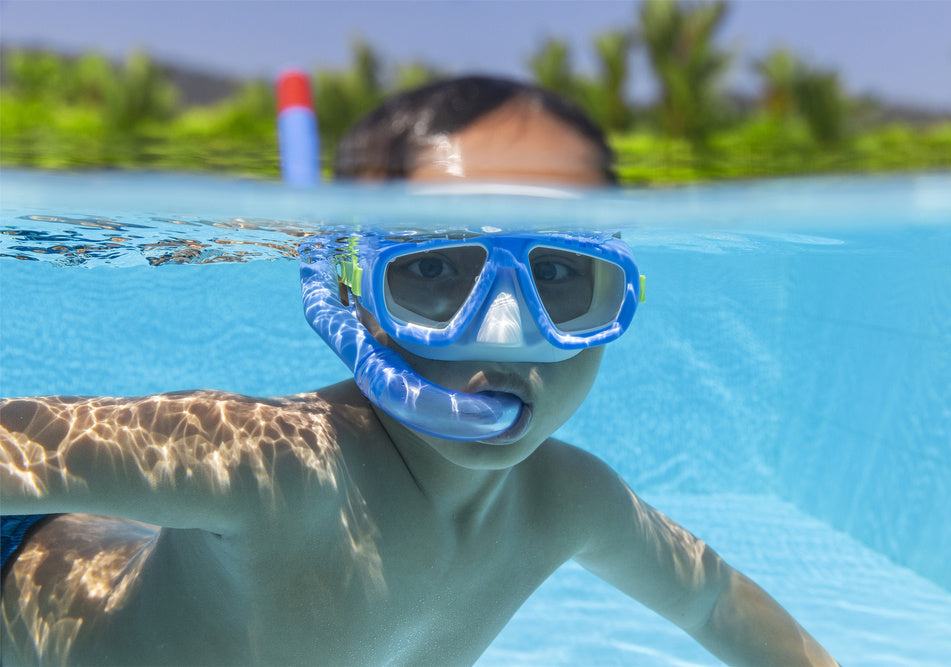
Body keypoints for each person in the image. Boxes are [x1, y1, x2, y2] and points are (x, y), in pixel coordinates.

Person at [0, 75, 837, 666]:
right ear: (354, 303)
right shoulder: (276, 463)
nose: (504, 335)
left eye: (558, 279)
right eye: (434, 273)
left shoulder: (565, 500)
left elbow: (712, 602)